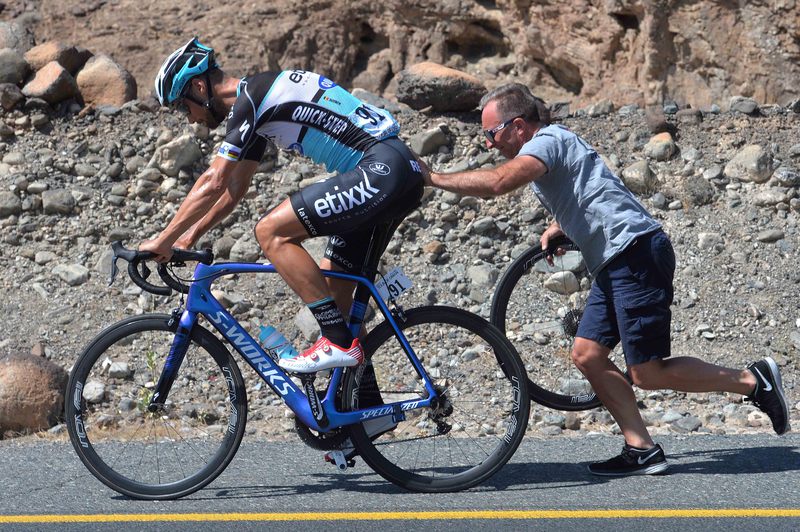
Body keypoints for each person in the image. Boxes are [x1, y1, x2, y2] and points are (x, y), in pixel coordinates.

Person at [421, 82, 790, 476]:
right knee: (587, 354)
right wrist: (562, 223)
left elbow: (498, 183)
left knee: (646, 372)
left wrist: (434, 178)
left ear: (518, 126)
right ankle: (642, 448)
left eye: (491, 134)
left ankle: (753, 380)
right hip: (617, 260)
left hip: (635, 254)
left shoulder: (545, 141)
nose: (490, 144)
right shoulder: (553, 146)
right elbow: (590, 188)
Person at [142, 37, 424, 374]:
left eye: (182, 106)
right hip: (395, 171)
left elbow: (213, 181)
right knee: (337, 303)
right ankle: (363, 415)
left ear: (199, 86)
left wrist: (162, 238)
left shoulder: (252, 98)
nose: (189, 119)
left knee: (270, 231)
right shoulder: (257, 103)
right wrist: (186, 238)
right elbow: (233, 190)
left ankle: (336, 341)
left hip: (381, 171)